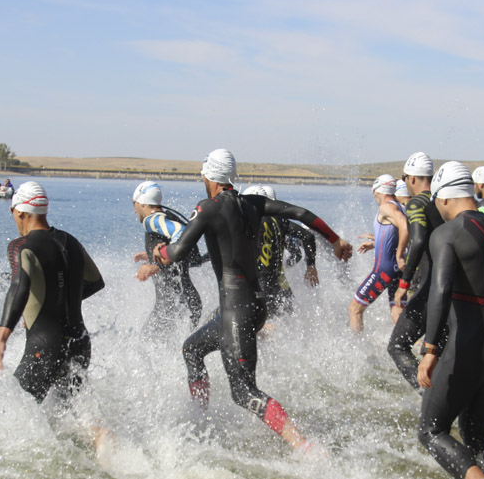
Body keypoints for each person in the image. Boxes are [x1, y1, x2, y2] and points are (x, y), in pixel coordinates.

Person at [153, 149, 353, 449]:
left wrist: (159, 254)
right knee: (192, 349)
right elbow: (301, 213)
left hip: (237, 311)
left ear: (209, 176)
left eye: (203, 174)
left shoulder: (208, 207)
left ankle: (305, 447)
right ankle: (201, 419)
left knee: (244, 392)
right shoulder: (253, 203)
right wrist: (335, 239)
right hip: (253, 306)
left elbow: (178, 251)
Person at [415, 161, 484, 479]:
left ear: (445, 198)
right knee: (476, 432)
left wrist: (430, 348)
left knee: (431, 430)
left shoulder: (447, 234)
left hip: (467, 344)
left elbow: (441, 290)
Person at [0, 181, 105, 403]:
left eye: (12, 211)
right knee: (72, 415)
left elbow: (18, 287)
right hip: (80, 343)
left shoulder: (21, 246)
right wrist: (56, 302)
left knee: (17, 410)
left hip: (45, 345)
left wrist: (0, 340)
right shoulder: (70, 241)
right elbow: (95, 282)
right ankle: (103, 436)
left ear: (21, 212)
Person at [387, 151, 444, 386]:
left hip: (431, 287)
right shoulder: (443, 202)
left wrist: (404, 283)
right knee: (435, 350)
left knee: (397, 346)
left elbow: (418, 240)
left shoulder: (416, 204)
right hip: (450, 286)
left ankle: (426, 397)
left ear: (411, 179)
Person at [131, 180, 206, 334]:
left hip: (172, 306)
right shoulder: (169, 216)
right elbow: (193, 256)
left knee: (143, 348)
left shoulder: (150, 220)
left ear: (142, 203)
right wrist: (152, 255)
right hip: (190, 302)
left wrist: (157, 264)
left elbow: (181, 232)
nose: (135, 210)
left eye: (135, 204)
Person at [242, 184, 318, 318]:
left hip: (260, 289)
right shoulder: (280, 221)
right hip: (281, 288)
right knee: (291, 323)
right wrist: (311, 265)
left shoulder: (252, 222)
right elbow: (308, 237)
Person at [350, 174, 409, 331]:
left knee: (355, 309)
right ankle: (416, 349)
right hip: (397, 272)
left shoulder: (387, 207)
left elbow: (405, 227)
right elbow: (397, 235)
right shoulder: (400, 206)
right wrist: (376, 244)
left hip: (383, 270)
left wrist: (399, 254)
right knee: (398, 316)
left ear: (377, 190)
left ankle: (358, 350)